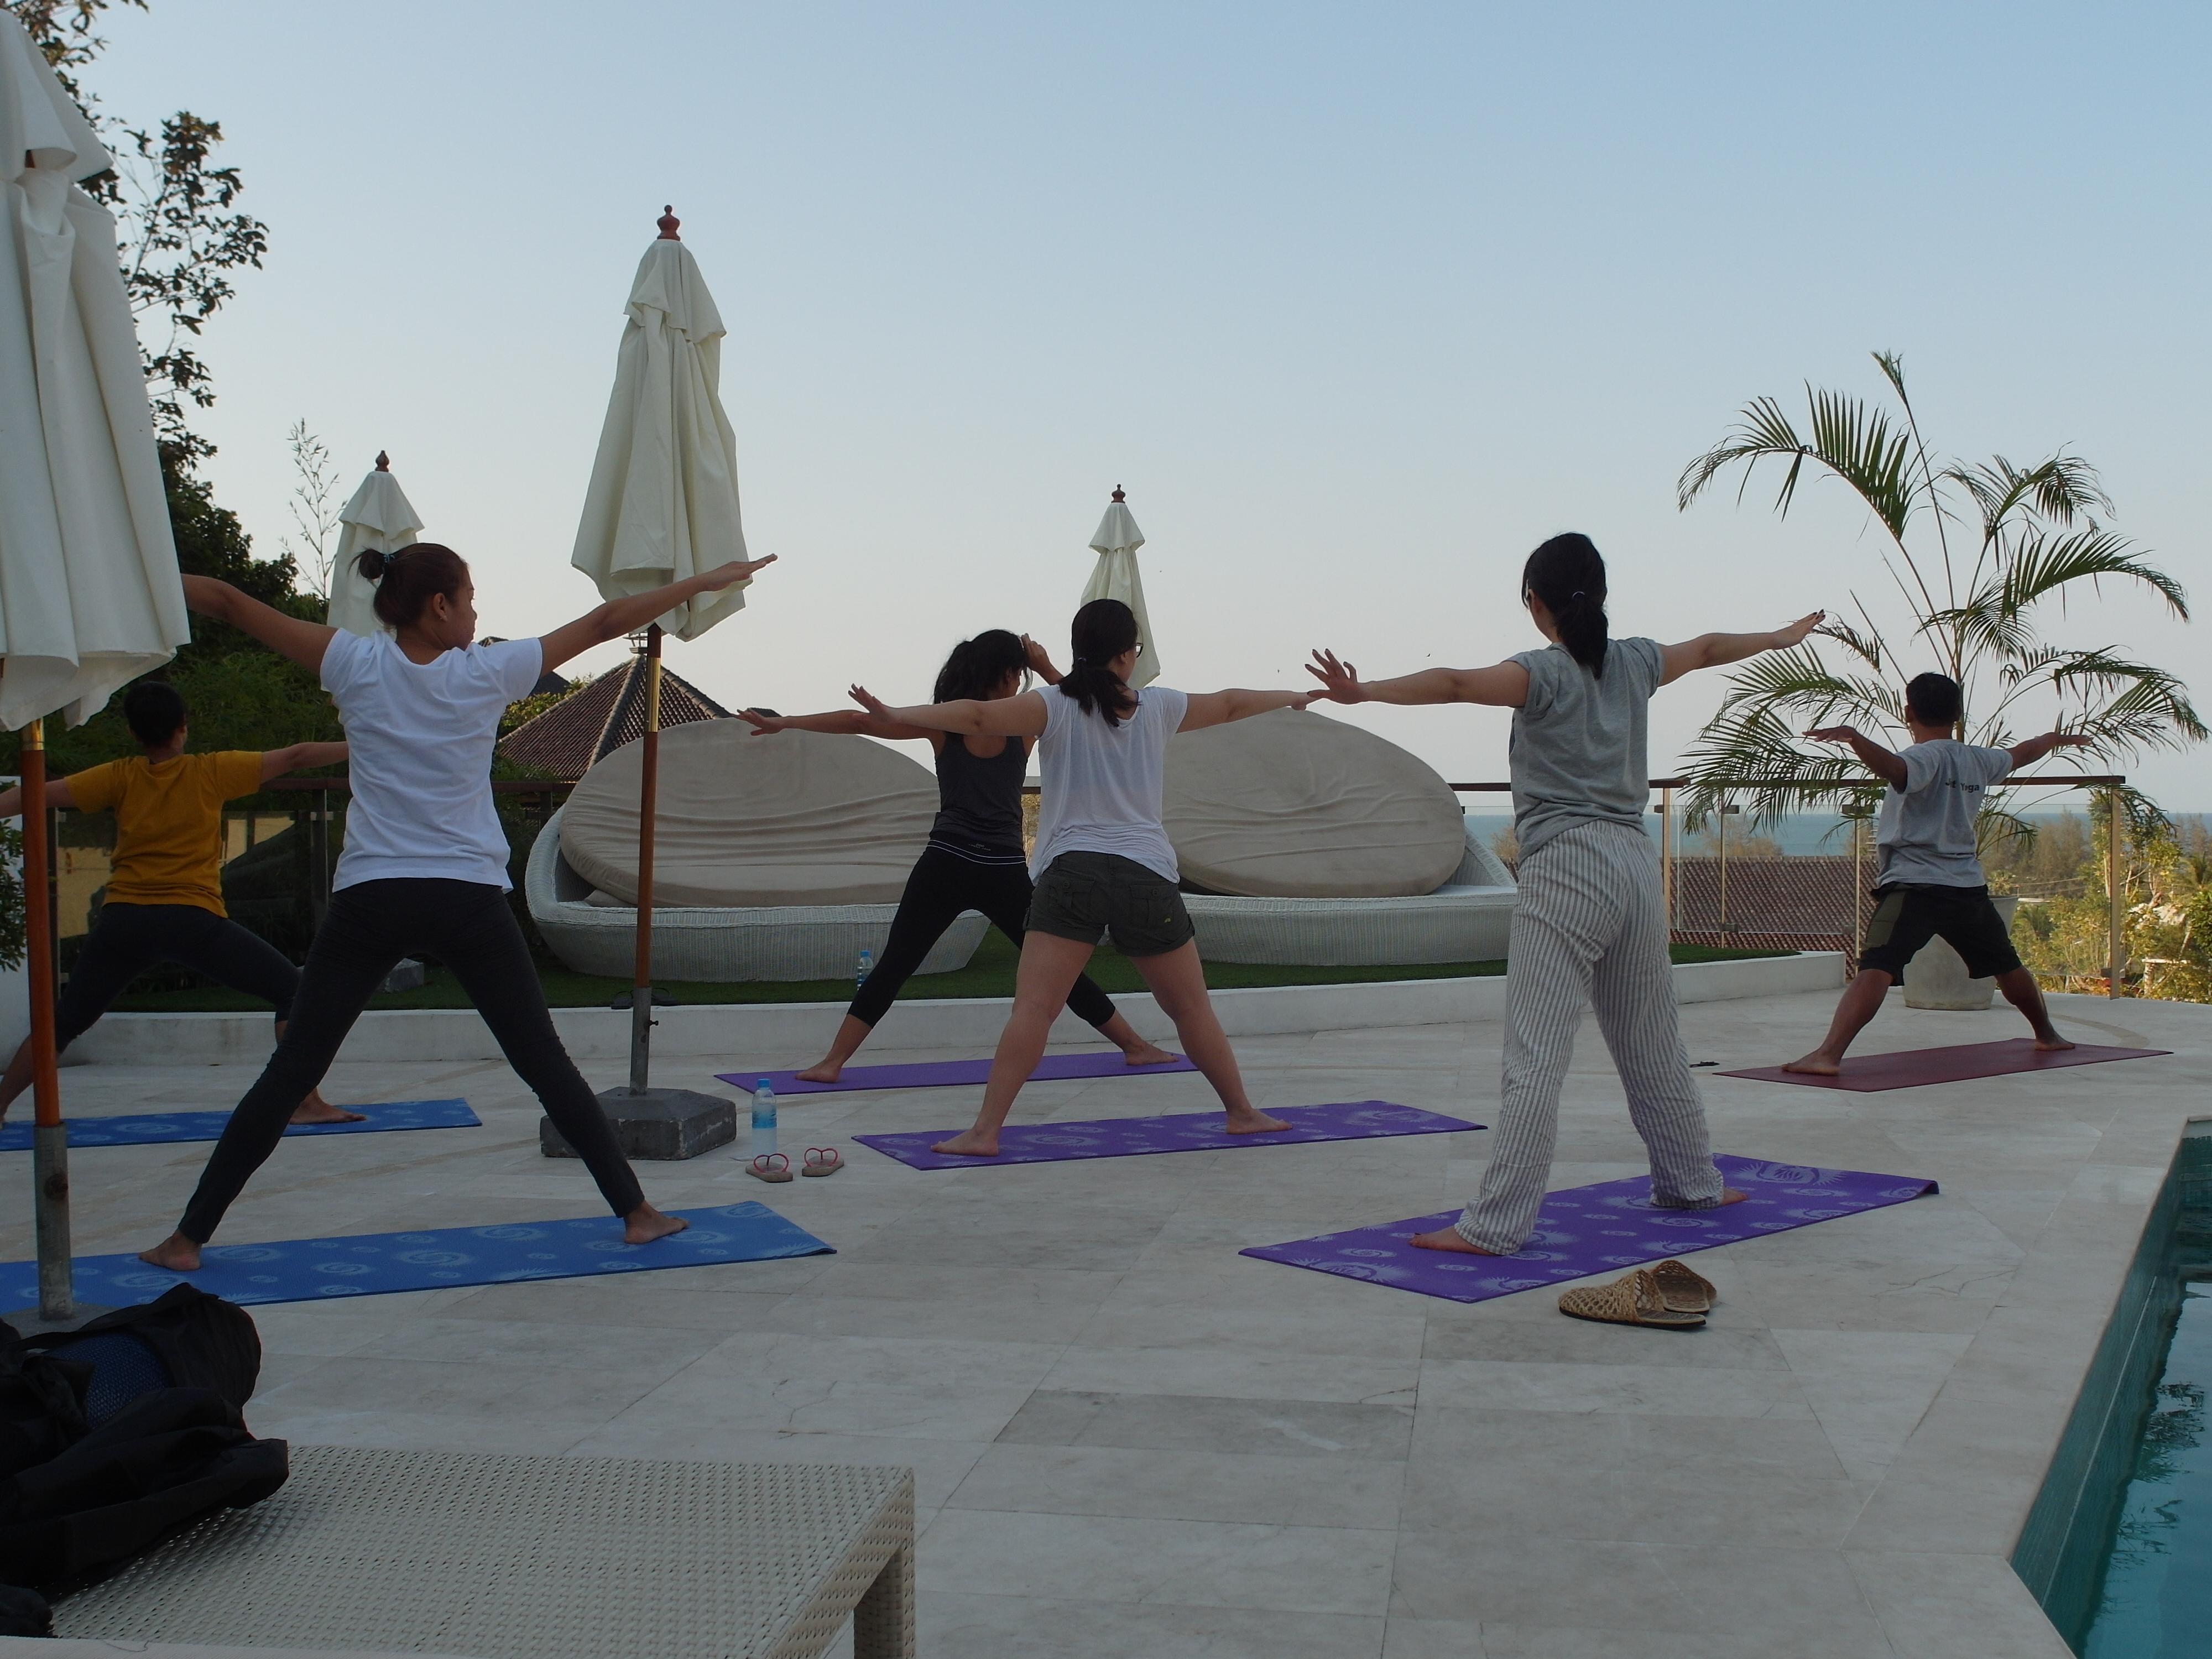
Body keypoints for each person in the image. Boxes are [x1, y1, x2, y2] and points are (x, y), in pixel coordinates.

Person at [135, 542, 776, 1270]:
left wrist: (133, 571)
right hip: (464, 900)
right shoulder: (486, 672)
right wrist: (707, 579)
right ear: (437, 607)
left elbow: (225, 601)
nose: (475, 614)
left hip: (371, 899)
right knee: (542, 1060)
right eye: (468, 600)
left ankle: (187, 1239)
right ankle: (637, 1213)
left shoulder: (351, 662)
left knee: (291, 1072)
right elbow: (606, 623)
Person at [1306, 532, 1824, 1255]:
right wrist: (1781, 635)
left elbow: (1454, 684)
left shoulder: (1540, 674)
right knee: (1653, 1043)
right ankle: (1692, 1182)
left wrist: (1364, 693)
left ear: (1535, 604)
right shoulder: (1638, 661)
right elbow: (1706, 647)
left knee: (1535, 1057)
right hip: (1635, 866)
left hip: (1567, 869)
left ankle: (1494, 1227)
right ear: (1601, 595)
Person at [849, 598, 1305, 1155]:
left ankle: (985, 1132)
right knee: (1191, 1009)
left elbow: (977, 716)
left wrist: (898, 715)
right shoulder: (1158, 706)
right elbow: (1233, 703)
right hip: (1145, 877)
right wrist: (1296, 697)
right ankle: (1242, 1113)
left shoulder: (1052, 706)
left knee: (1034, 1009)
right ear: (1124, 655)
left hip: (1071, 875)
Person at [740, 628, 1174, 1082]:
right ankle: (1135, 1046)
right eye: (1019, 675)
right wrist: (1045, 664)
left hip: (947, 862)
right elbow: (1085, 706)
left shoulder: (947, 724)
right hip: (1001, 869)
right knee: (1056, 970)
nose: (1022, 685)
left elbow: (859, 720)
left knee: (896, 964)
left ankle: (832, 1063)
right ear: (1007, 674)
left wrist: (786, 722)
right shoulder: (1023, 726)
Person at [0, 682, 354, 1125]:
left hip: (124, 920)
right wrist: (362, 741)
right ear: (183, 728)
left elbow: (33, 795)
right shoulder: (210, 772)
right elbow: (297, 755)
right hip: (191, 920)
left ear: (133, 734)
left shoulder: (119, 776)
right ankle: (304, 1102)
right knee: (292, 991)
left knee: (63, 1023)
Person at [1782, 674, 2083, 1074]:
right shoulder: (1977, 759)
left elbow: (1895, 768)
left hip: (1916, 887)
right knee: (2007, 965)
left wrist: (1856, 738)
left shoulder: (1923, 758)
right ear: (1958, 714)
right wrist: (2051, 739)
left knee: (1877, 966)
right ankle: (2047, 1035)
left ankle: (1828, 1055)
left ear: (1909, 713)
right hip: (1966, 888)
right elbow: (2022, 753)